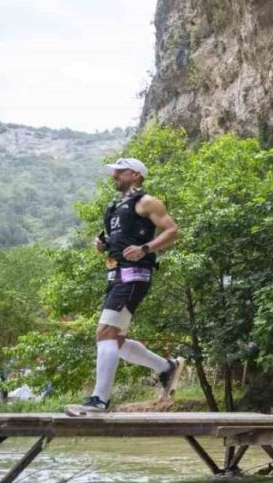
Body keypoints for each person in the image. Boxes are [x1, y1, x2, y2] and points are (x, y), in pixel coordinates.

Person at [66, 158, 184, 417]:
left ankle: (99, 401)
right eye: (114, 172)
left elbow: (172, 231)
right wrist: (103, 245)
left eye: (120, 172)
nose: (115, 176)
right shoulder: (114, 207)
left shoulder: (147, 201)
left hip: (134, 275)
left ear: (135, 174)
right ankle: (167, 367)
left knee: (105, 333)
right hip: (115, 274)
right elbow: (119, 241)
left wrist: (145, 248)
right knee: (115, 340)